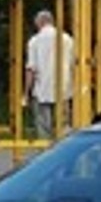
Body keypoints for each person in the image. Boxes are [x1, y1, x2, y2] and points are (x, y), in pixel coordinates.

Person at [24, 9, 75, 139]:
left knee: (43, 127)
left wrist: (26, 93)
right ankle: (64, 153)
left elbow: (31, 69)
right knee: (64, 126)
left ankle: (46, 153)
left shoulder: (34, 41)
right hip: (64, 89)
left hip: (42, 90)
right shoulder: (67, 39)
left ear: (39, 23)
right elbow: (73, 65)